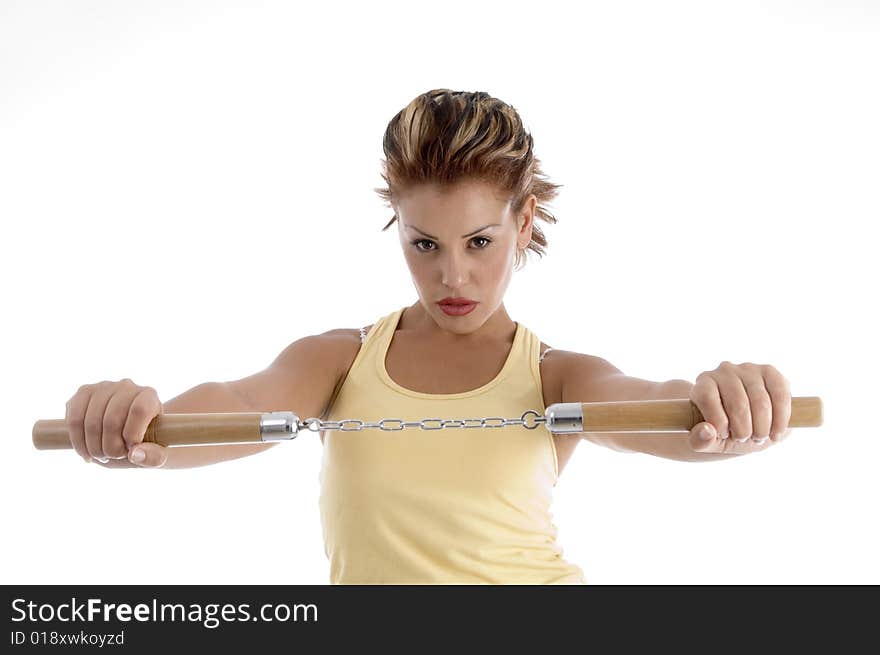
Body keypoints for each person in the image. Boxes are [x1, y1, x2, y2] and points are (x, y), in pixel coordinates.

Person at [63, 89, 793, 584]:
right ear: (398, 228)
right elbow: (237, 402)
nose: (452, 277)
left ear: (525, 221)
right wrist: (140, 423)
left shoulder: (557, 378)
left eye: (480, 241)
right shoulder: (340, 361)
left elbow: (651, 406)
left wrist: (725, 402)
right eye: (424, 244)